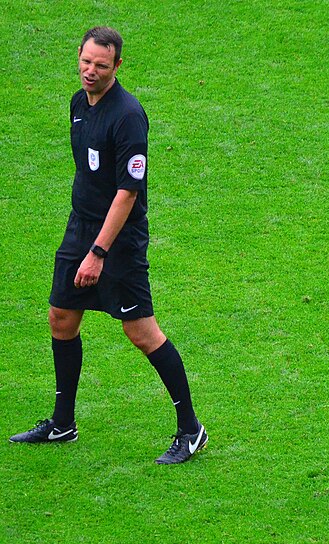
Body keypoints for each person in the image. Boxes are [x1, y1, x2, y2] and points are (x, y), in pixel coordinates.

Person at [9, 27, 207, 465]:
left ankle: (191, 430)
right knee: (61, 317)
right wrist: (84, 237)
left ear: (118, 66)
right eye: (85, 62)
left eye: (101, 65)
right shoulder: (79, 103)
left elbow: (127, 192)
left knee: (141, 332)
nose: (90, 72)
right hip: (81, 227)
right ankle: (63, 423)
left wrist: (98, 252)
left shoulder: (128, 115)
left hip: (118, 241)